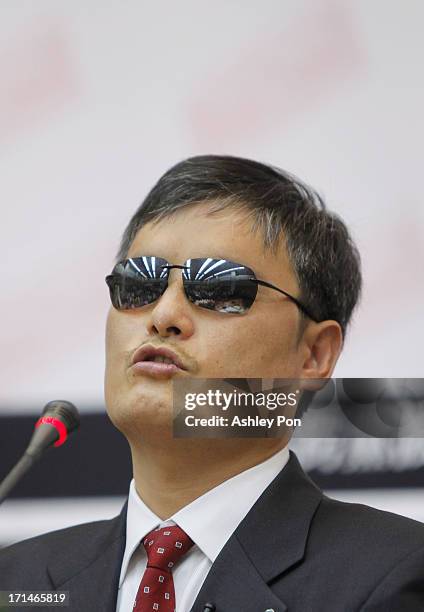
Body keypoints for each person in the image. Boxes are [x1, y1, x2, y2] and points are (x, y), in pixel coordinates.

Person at [1, 155, 423, 612]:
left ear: (314, 354)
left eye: (220, 289)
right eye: (139, 285)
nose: (163, 317)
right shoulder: (17, 580)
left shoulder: (392, 574)